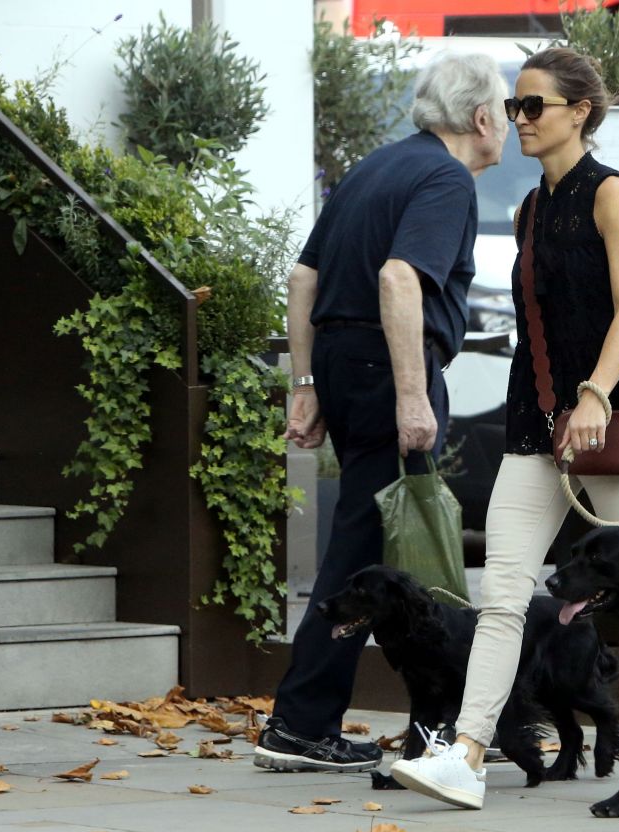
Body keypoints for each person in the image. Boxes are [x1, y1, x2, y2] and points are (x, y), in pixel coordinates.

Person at [388, 47, 619, 809]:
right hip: (535, 427)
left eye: (533, 106)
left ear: (579, 112)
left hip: (614, 426)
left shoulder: (613, 195)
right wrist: (557, 407)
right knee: (505, 591)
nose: (518, 119)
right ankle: (469, 752)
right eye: (514, 107)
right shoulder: (531, 207)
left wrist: (595, 396)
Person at [253, 53, 508, 773]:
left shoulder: (378, 165)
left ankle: (402, 723)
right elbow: (400, 278)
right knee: (384, 546)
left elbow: (305, 274)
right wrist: (411, 393)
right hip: (384, 363)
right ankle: (311, 725)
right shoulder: (447, 178)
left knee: (371, 544)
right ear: (481, 117)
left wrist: (306, 382)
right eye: (504, 112)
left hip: (342, 359)